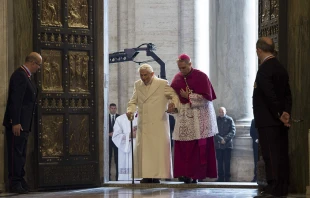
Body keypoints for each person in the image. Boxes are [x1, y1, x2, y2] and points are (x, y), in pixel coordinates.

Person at [126, 64, 179, 184]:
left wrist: (173, 104)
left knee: (156, 151)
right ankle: (146, 175)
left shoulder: (162, 83)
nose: (143, 78)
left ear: (152, 74)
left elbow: (173, 96)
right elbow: (133, 101)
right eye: (141, 75)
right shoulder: (137, 84)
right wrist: (130, 111)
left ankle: (156, 176)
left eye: (145, 75)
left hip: (158, 123)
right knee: (145, 151)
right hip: (144, 124)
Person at [253, 37, 292, 198]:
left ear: (259, 51)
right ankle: (282, 186)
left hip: (268, 120)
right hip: (280, 120)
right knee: (281, 153)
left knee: (270, 154)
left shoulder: (264, 69)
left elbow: (270, 95)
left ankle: (274, 186)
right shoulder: (280, 67)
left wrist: (278, 114)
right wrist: (286, 113)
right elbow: (288, 94)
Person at [171, 54, 218, 184]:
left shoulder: (201, 76)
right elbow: (173, 96)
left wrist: (189, 96)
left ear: (190, 64)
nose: (182, 71)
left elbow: (206, 98)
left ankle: (195, 175)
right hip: (184, 119)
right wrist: (173, 107)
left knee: (196, 149)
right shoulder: (177, 78)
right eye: (180, 68)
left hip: (199, 118)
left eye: (184, 68)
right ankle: (184, 174)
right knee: (184, 148)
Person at [3, 52, 42, 193]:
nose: (39, 68)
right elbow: (15, 101)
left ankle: (20, 178)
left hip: (24, 123)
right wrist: (16, 122)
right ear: (32, 63)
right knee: (15, 153)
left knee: (21, 153)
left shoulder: (27, 77)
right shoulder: (19, 75)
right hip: (18, 124)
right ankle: (14, 182)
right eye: (38, 65)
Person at [112, 112, 138, 180]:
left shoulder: (144, 118)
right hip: (126, 150)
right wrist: (129, 135)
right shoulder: (120, 119)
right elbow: (115, 136)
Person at [214, 107, 236, 182]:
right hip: (218, 145)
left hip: (227, 145)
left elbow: (233, 131)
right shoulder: (216, 120)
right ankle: (220, 177)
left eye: (222, 111)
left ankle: (227, 177)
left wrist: (225, 139)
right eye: (220, 112)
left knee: (227, 162)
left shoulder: (230, 119)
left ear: (225, 111)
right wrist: (220, 139)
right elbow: (214, 131)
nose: (221, 113)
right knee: (219, 162)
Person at [108, 103, 119, 181]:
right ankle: (108, 176)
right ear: (109, 108)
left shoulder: (120, 117)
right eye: (112, 108)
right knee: (108, 158)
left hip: (117, 141)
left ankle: (118, 176)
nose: (113, 110)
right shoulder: (106, 117)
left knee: (117, 158)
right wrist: (108, 134)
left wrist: (115, 134)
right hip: (108, 141)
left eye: (114, 108)